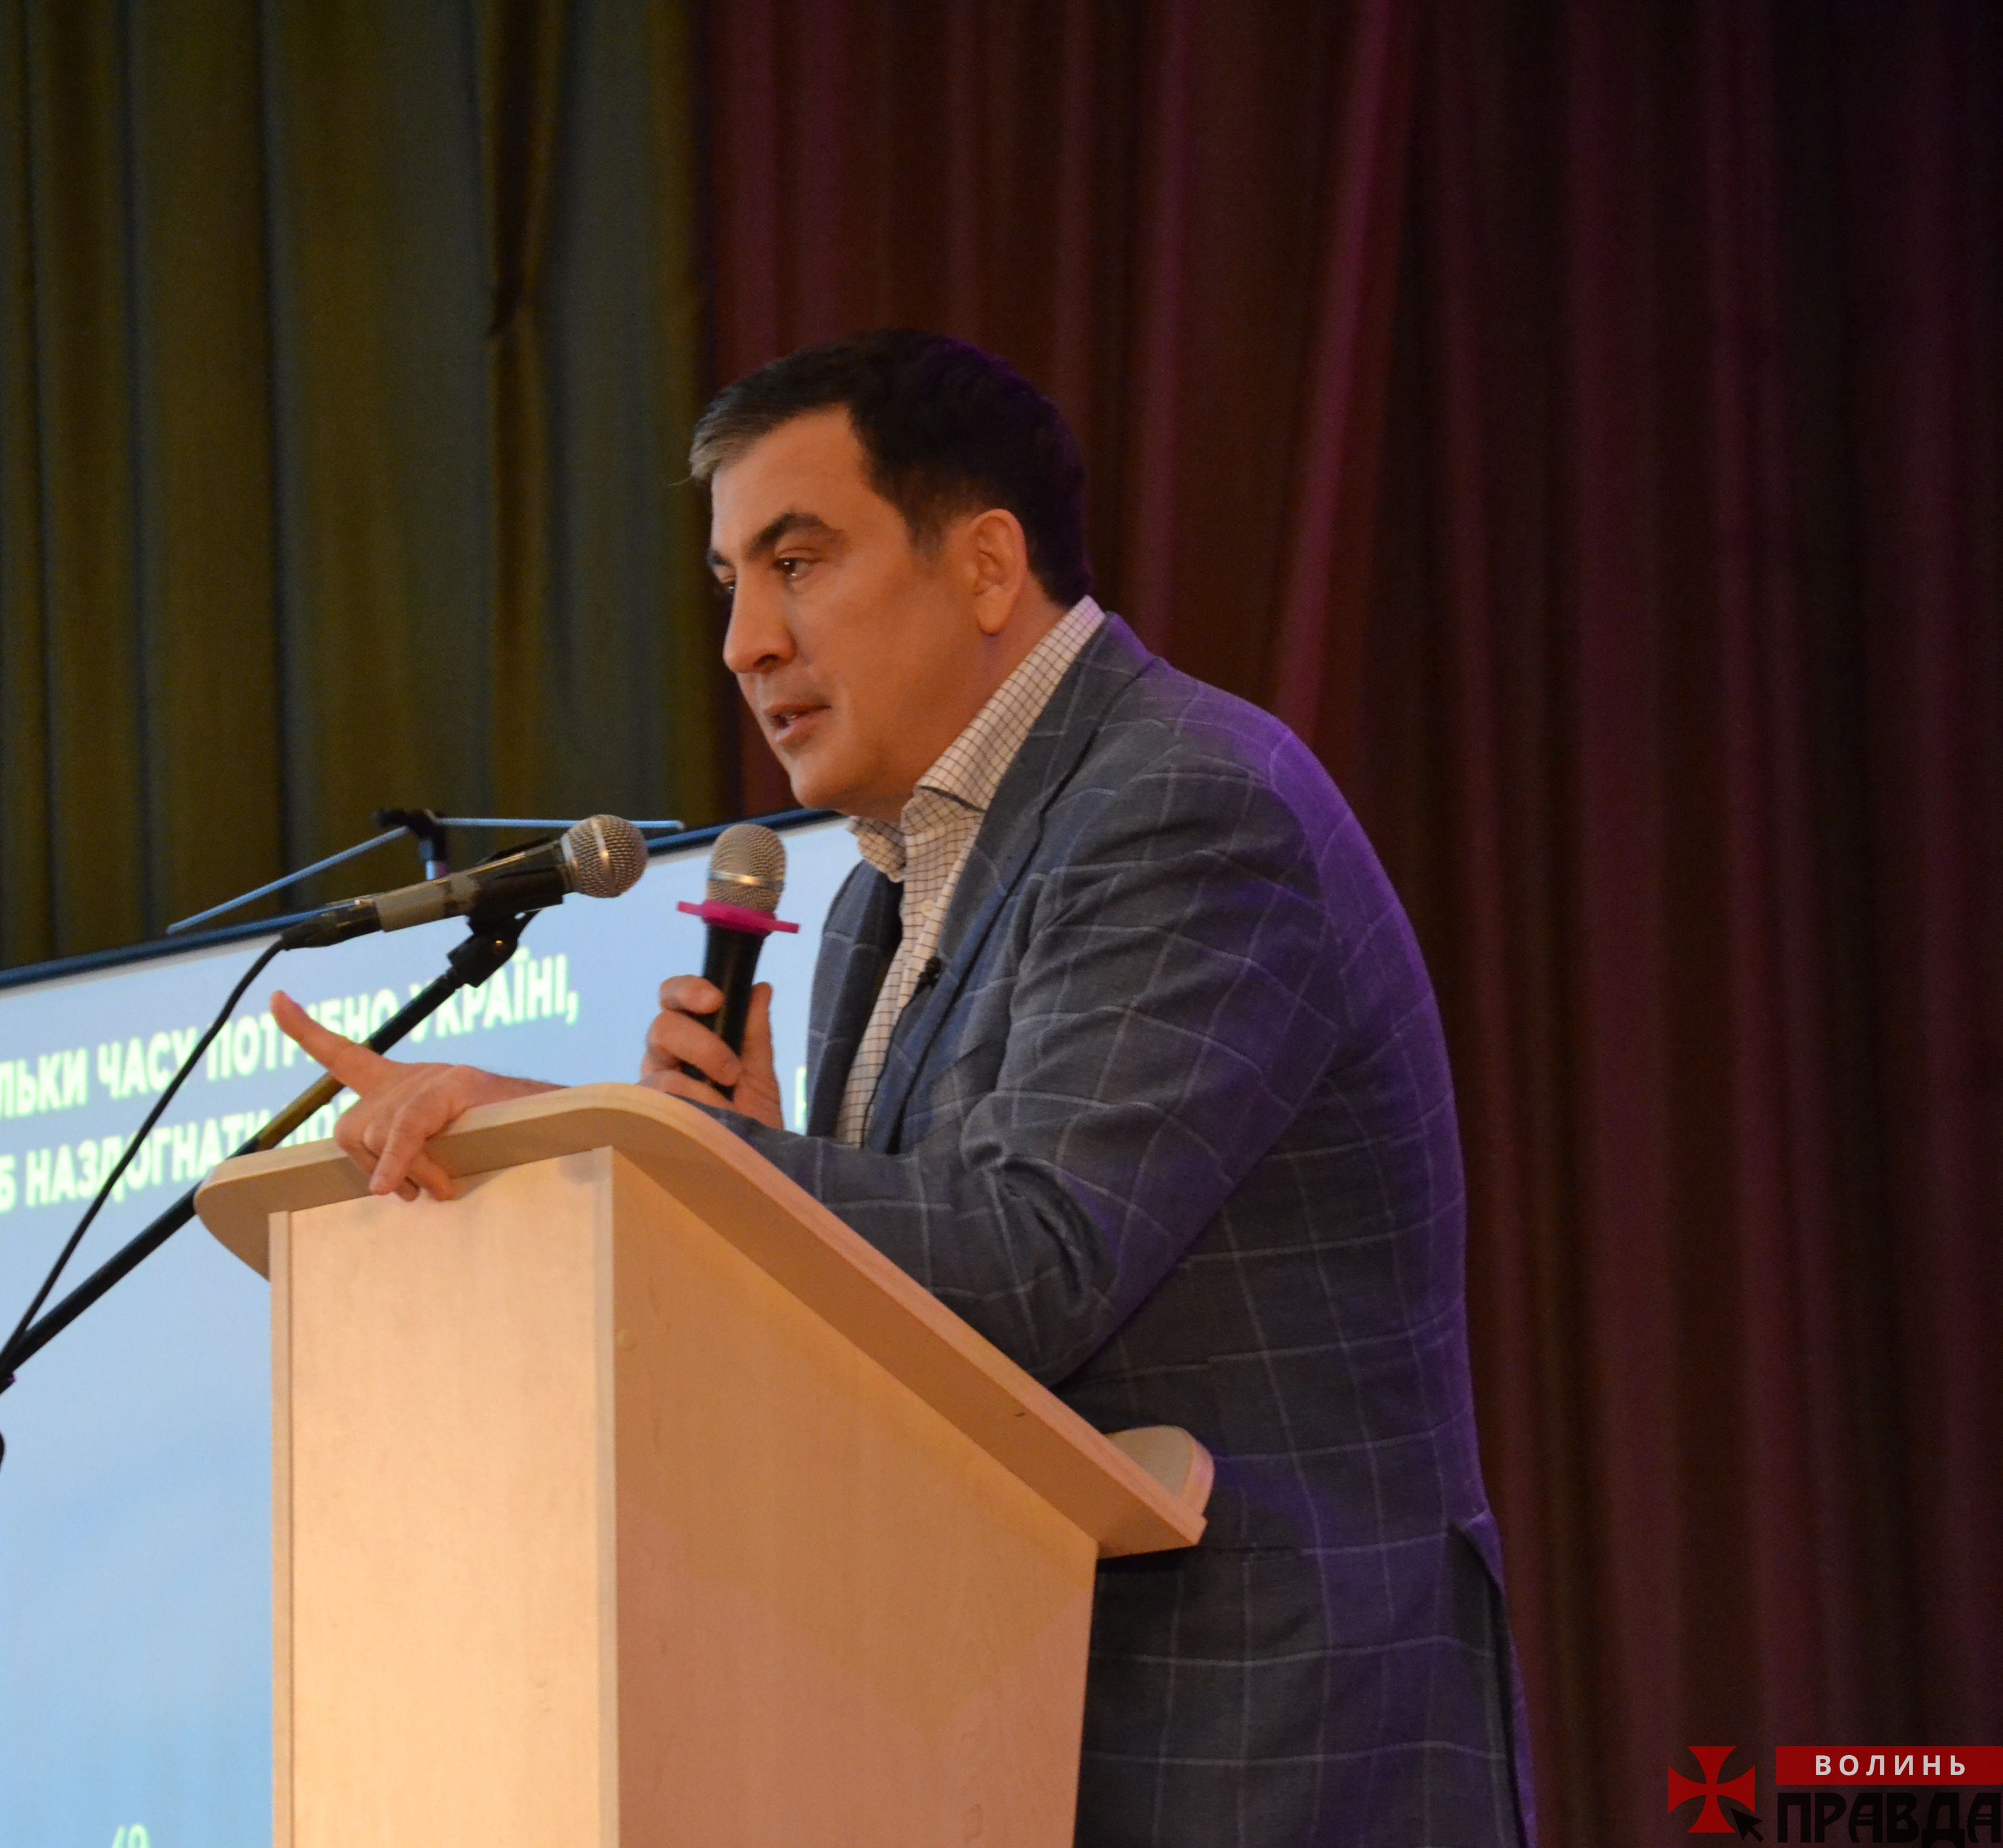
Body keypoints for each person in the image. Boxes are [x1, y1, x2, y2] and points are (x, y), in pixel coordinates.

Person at [268, 329, 1538, 1846]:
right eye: (730, 583)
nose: (745, 643)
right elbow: (928, 1349)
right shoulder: (887, 889)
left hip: (1252, 1739)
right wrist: (743, 1188)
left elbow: (1037, 1262)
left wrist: (667, 1159)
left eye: (797, 564)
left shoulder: (1183, 802)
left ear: (988, 566)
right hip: (996, 1724)